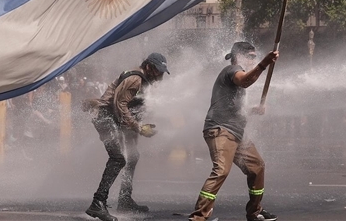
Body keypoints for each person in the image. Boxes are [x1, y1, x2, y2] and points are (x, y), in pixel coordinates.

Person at [189, 41, 279, 221]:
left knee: (257, 167)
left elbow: (235, 109)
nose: (254, 60)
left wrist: (254, 110)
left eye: (256, 57)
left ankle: (255, 212)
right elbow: (245, 81)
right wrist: (264, 63)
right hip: (221, 130)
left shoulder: (237, 78)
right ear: (239, 56)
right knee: (221, 170)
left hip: (236, 133)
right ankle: (198, 217)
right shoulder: (231, 70)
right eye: (251, 57)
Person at [85, 53, 170, 221]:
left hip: (115, 119)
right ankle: (98, 203)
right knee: (117, 159)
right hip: (105, 117)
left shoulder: (144, 80)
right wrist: (138, 127)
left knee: (133, 156)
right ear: (148, 67)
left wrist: (140, 125)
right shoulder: (135, 79)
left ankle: (124, 199)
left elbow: (131, 106)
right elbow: (119, 105)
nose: (160, 76)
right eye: (158, 71)